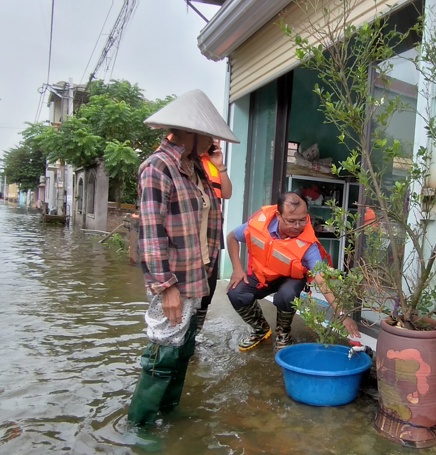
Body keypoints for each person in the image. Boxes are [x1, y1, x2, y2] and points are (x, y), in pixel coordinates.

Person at [127, 89, 238, 429]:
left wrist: (215, 165)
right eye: (208, 136)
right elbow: (151, 232)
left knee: (184, 348)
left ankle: (169, 411)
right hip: (174, 280)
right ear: (191, 132)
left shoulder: (197, 170)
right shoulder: (157, 168)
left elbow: (221, 199)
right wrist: (165, 288)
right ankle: (140, 425)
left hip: (198, 275)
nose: (211, 142)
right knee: (162, 353)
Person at [226, 191, 361, 351]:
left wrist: (341, 313)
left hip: (291, 278)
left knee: (287, 294)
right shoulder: (259, 224)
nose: (297, 227)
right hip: (263, 274)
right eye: (291, 221)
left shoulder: (308, 243)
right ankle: (261, 329)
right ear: (278, 215)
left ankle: (284, 333)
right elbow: (232, 237)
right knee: (235, 292)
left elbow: (321, 279)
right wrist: (237, 268)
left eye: (302, 220)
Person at [192, 138, 232, 337]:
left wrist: (221, 165)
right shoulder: (182, 161)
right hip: (190, 231)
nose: (214, 142)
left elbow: (227, 193)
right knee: (189, 287)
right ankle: (181, 336)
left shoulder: (213, 164)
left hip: (213, 232)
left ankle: (194, 336)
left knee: (209, 286)